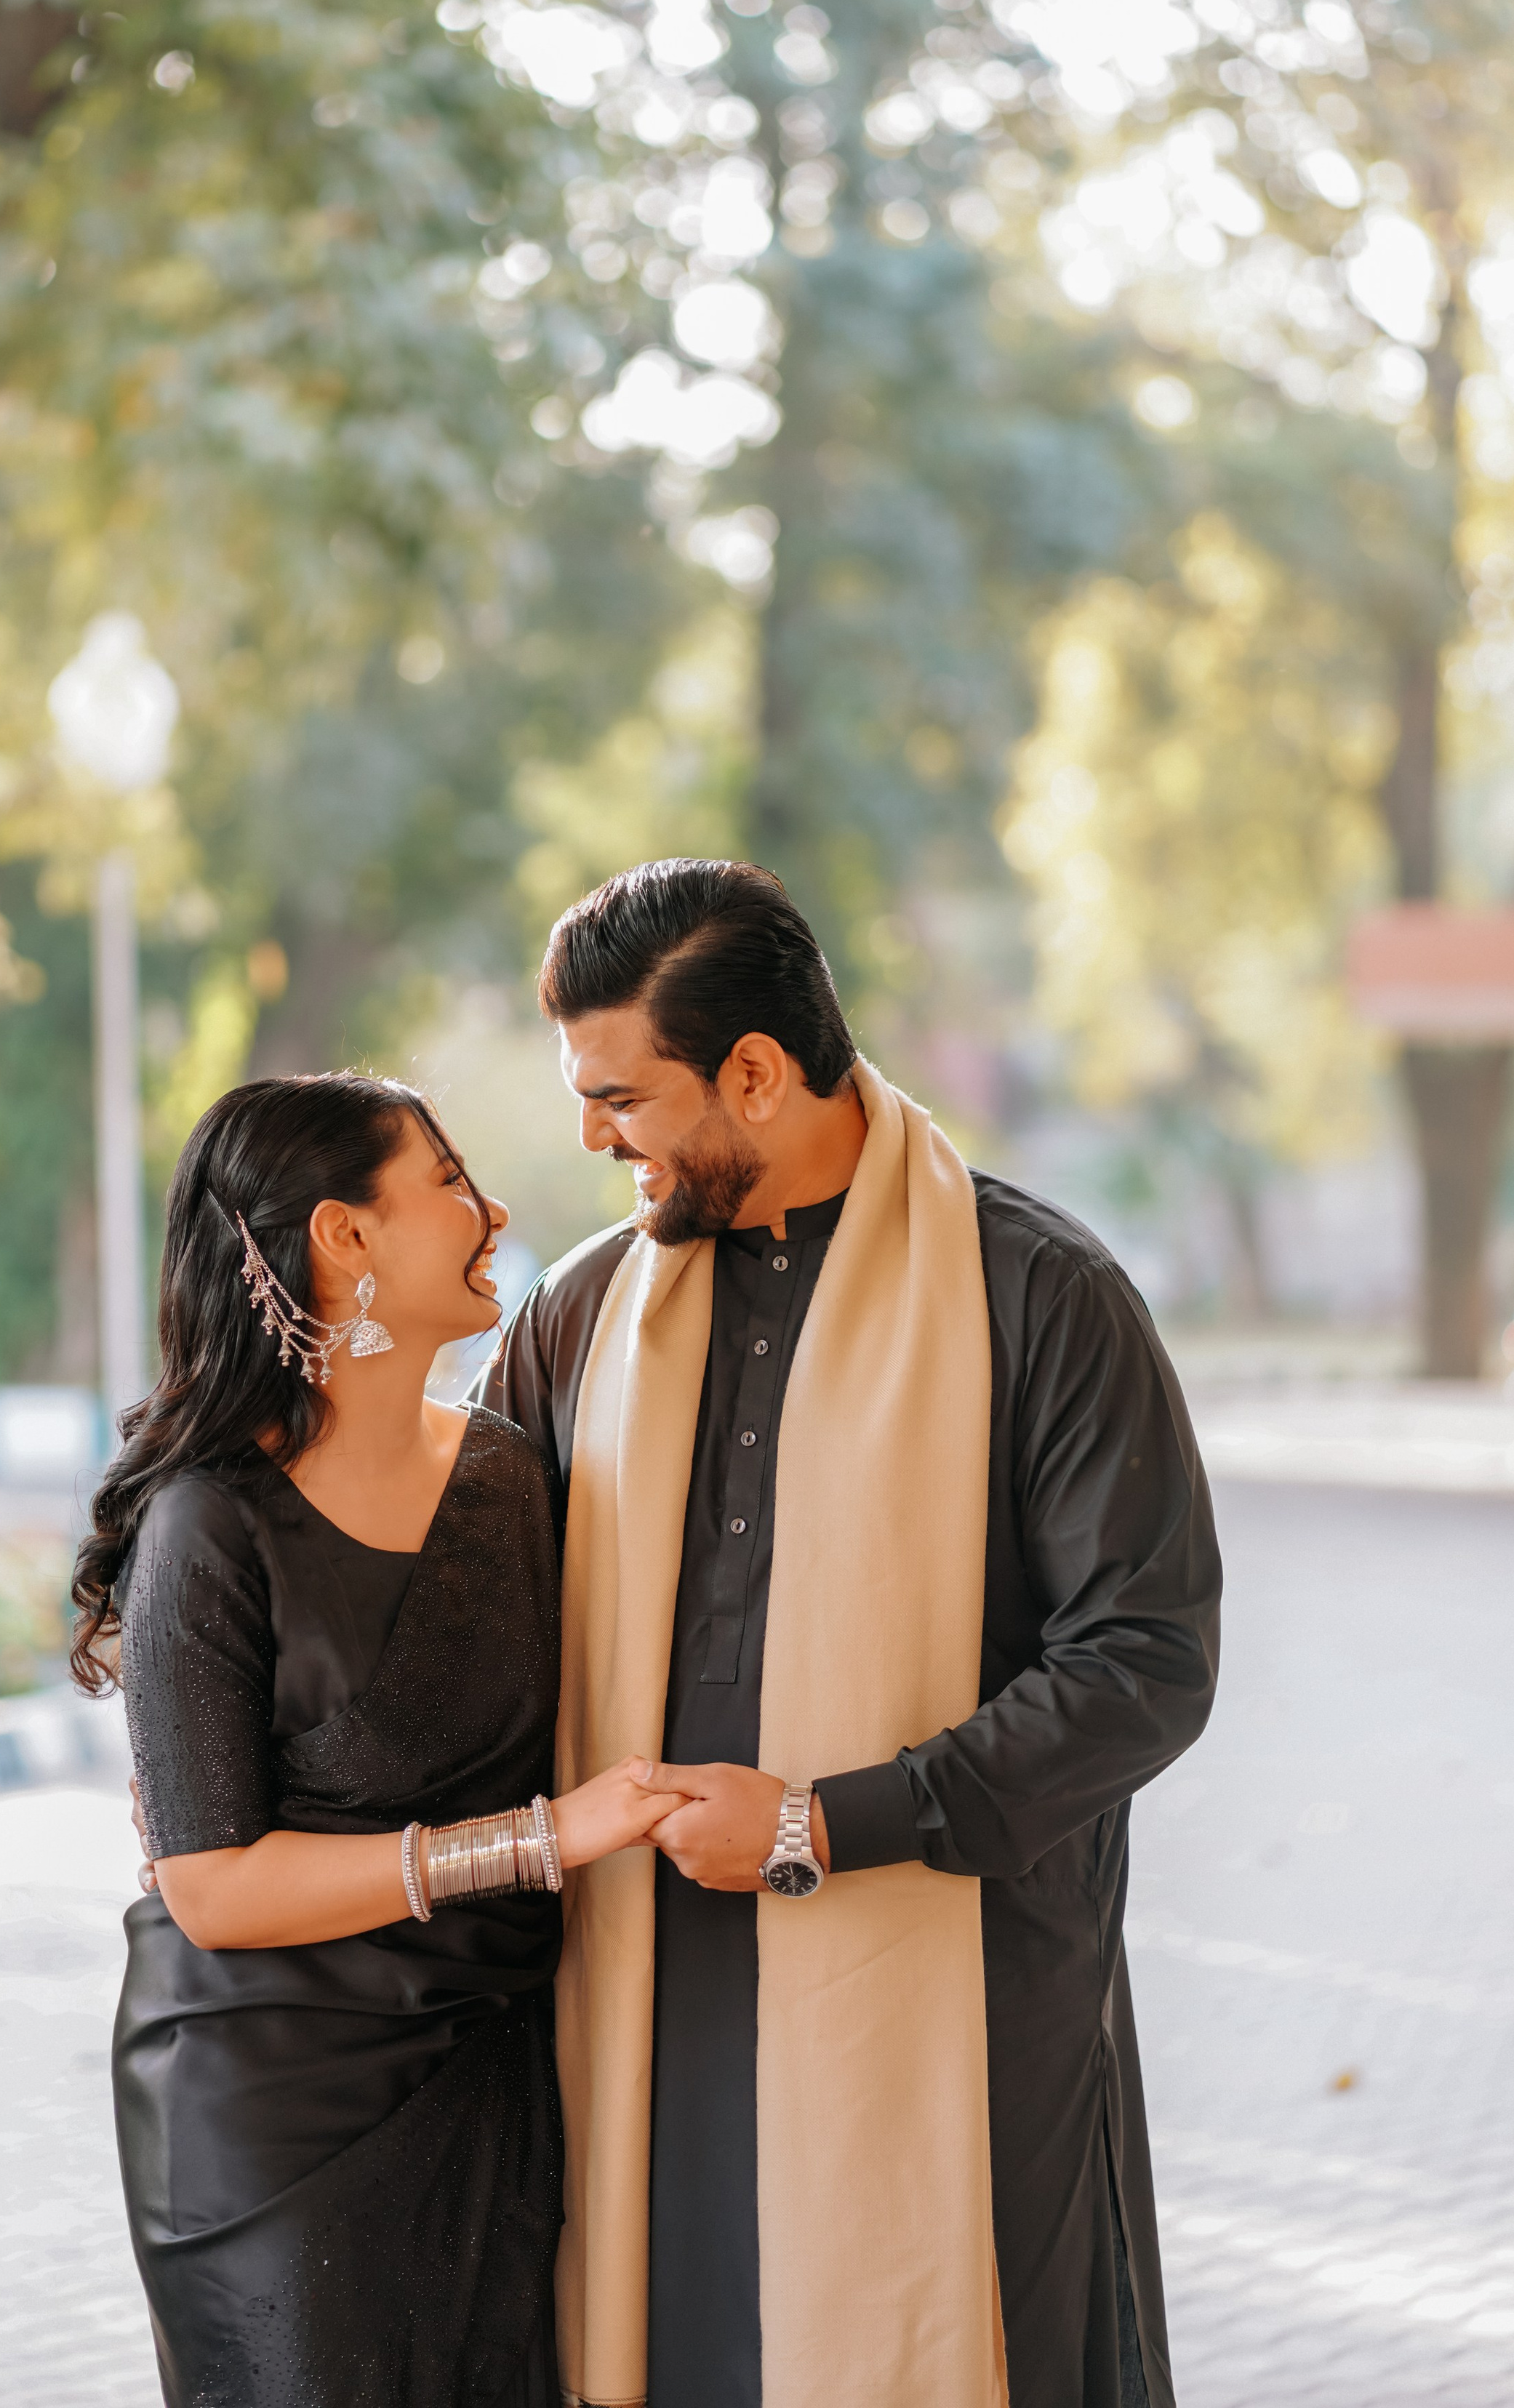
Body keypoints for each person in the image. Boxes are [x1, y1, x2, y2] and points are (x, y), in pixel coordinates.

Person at [480, 859, 1222, 2408]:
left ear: (752, 1074)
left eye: (619, 1093)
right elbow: (470, 1629)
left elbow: (1141, 1662)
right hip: (646, 2008)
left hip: (963, 2011)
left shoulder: (1038, 1295)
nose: (587, 1133)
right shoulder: (581, 1314)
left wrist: (825, 1821)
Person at [71, 1072, 684, 2408]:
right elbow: (212, 1887)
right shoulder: (208, 1523)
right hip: (274, 2128)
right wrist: (540, 1839)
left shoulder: (514, 1476)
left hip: (494, 2085)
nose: (495, 1208)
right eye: (452, 1182)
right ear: (344, 1236)